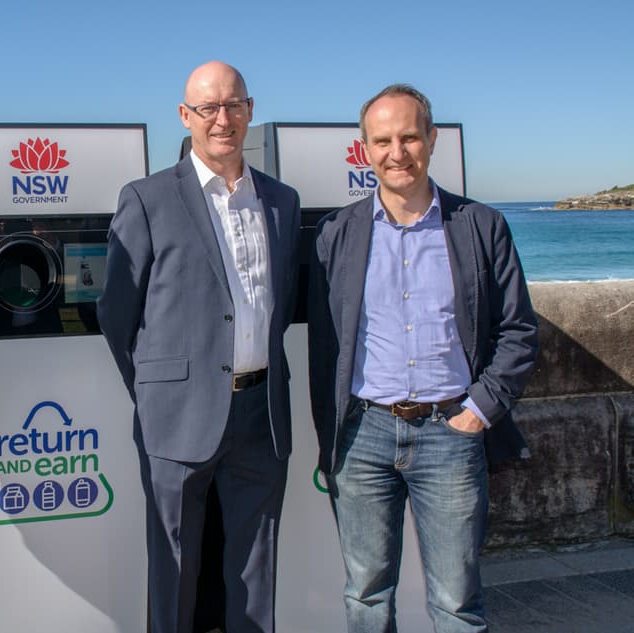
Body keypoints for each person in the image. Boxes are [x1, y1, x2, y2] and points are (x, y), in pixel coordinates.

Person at [307, 84, 539, 632]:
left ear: (432, 139)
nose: (397, 152)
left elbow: (519, 331)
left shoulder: (480, 226)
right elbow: (318, 339)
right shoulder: (335, 234)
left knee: (457, 602)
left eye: (409, 137)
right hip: (362, 435)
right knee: (366, 595)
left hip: (450, 434)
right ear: (365, 149)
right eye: (382, 140)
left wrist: (477, 411)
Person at [97, 60, 301, 633]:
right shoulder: (146, 198)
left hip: (262, 413)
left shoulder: (282, 201)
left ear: (251, 111)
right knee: (174, 569)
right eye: (208, 108)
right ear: (185, 116)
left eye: (233, 104)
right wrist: (160, 389)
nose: (222, 119)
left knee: (255, 568)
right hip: (176, 418)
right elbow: (117, 314)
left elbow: (279, 305)